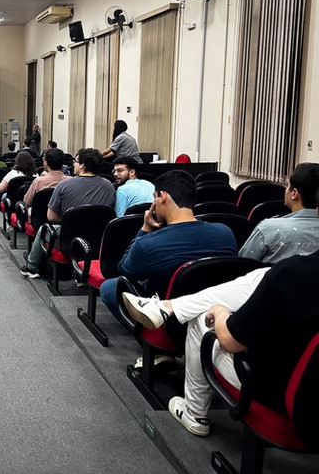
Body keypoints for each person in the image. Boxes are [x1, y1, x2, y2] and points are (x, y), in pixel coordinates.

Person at [122, 163, 319, 437]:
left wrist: (221, 313)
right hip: (303, 369)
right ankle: (167, 307)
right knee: (260, 276)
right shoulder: (225, 233)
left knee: (203, 321)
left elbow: (230, 340)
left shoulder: (289, 273)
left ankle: (194, 413)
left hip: (286, 387)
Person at [98, 170, 238, 322]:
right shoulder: (226, 233)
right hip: (212, 311)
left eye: (155, 198)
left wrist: (144, 229)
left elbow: (124, 271)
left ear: (162, 197)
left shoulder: (148, 244)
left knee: (109, 287)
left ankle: (143, 331)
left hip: (168, 318)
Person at [20, 148, 116, 279]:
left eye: (76, 161)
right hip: (98, 240)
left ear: (82, 165)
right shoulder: (109, 186)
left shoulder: (64, 185)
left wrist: (68, 219)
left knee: (44, 229)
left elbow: (51, 217)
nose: (73, 164)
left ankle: (32, 267)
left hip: (69, 239)